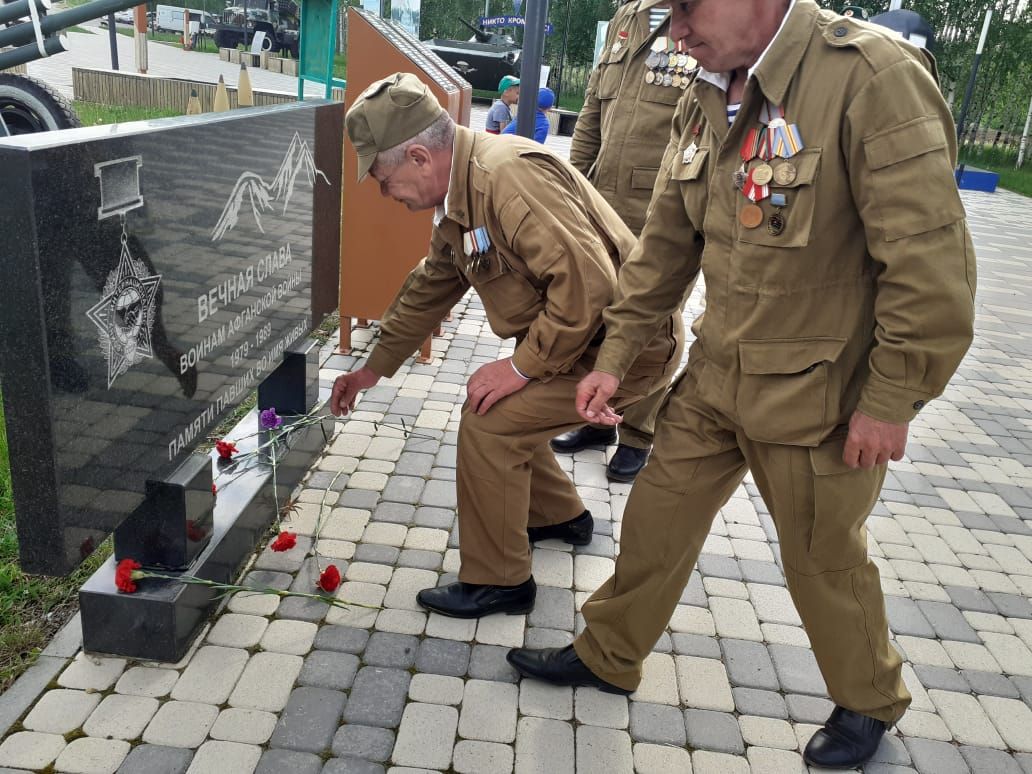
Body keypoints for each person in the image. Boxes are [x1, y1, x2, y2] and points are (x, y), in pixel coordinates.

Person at [506, 0, 976, 769]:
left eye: (689, 8)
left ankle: (868, 698)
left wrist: (894, 399)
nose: (674, 30)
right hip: (719, 377)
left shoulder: (870, 77)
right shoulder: (707, 88)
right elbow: (664, 246)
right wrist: (614, 358)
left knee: (823, 561)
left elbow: (930, 265)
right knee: (655, 520)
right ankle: (608, 653)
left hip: (819, 396)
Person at [332, 73, 682, 619]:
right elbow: (433, 283)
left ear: (421, 157)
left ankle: (500, 581)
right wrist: (371, 369)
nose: (383, 192)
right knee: (503, 410)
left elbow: (587, 288)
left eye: (383, 177)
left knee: (489, 421)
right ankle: (559, 516)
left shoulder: (506, 180)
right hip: (582, 344)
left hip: (623, 352)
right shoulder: (464, 191)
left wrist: (520, 368)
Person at [550, 0, 686, 482]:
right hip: (602, 201)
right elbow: (592, 109)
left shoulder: (702, 18)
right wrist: (574, 182)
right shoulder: (631, 17)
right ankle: (598, 421)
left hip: (662, 209)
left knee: (653, 320)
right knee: (602, 312)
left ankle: (638, 434)